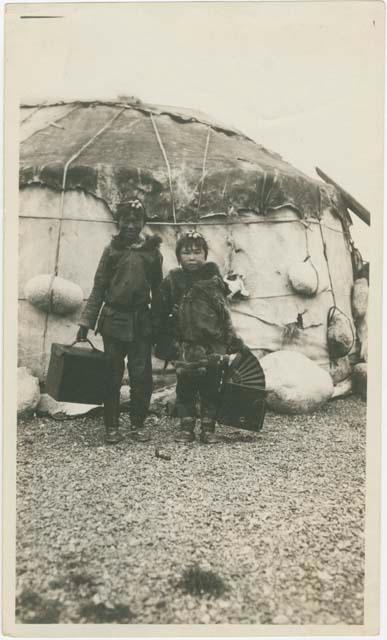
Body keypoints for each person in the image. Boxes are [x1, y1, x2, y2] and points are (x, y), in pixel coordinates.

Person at [76, 198, 162, 444]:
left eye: (136, 220)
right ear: (118, 222)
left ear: (144, 222)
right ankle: (111, 426)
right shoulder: (111, 250)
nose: (131, 225)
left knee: (141, 376)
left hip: (142, 322)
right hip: (113, 321)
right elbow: (99, 287)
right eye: (126, 220)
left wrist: (159, 325)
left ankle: (137, 425)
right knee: (112, 374)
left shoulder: (152, 253)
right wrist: (86, 322)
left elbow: (158, 291)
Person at [154, 231, 244, 444]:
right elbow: (160, 310)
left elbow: (224, 312)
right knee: (185, 387)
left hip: (212, 345)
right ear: (178, 257)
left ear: (205, 255)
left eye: (197, 252)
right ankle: (186, 428)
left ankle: (208, 427)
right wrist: (166, 335)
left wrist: (232, 340)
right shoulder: (173, 281)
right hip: (185, 344)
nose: (192, 257)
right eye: (186, 253)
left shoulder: (214, 280)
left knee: (211, 387)